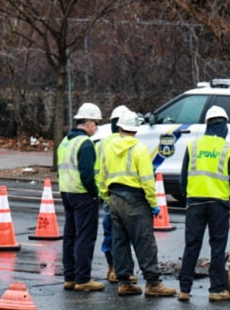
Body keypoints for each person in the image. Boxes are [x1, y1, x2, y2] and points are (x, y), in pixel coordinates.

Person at [98, 109, 176, 297]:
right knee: (144, 241)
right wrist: (153, 203)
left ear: (120, 127)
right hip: (135, 200)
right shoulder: (140, 149)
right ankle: (153, 282)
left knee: (120, 241)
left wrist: (107, 197)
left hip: (114, 198)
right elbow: (147, 180)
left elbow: (102, 175)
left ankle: (124, 282)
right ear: (136, 129)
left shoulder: (108, 147)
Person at [178, 105, 230, 302]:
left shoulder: (193, 146)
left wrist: (188, 195)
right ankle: (216, 289)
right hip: (218, 203)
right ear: (224, 126)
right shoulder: (229, 148)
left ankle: (184, 289)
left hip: (195, 202)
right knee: (217, 246)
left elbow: (183, 178)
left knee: (192, 245)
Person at [58, 102, 104, 292]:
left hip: (66, 192)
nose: (97, 127)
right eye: (96, 123)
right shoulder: (85, 144)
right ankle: (83, 278)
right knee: (85, 237)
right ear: (89, 122)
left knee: (70, 235)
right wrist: (95, 193)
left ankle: (70, 277)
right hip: (83, 194)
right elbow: (87, 174)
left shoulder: (65, 141)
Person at [95, 104, 130, 283]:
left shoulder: (102, 144)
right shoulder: (132, 142)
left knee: (110, 233)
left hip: (109, 196)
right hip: (129, 196)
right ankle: (125, 269)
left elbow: (98, 171)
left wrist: (103, 194)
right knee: (126, 234)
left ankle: (112, 268)